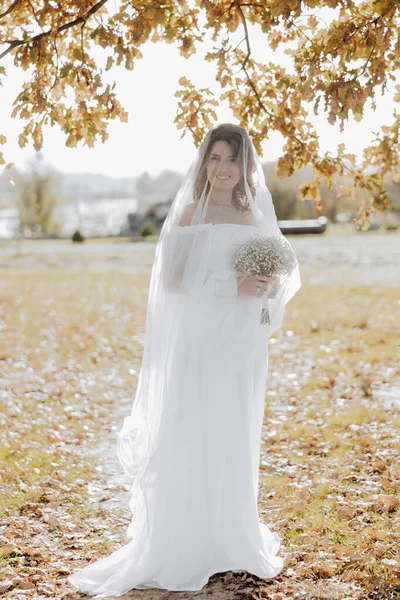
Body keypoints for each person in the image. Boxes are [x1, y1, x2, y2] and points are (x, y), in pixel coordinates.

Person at [67, 122, 301, 597]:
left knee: (232, 433)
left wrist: (264, 292)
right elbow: (173, 284)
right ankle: (186, 540)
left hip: (239, 348)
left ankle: (231, 536)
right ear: (203, 163)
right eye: (214, 159)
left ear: (245, 165)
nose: (222, 169)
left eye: (231, 160)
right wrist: (228, 287)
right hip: (198, 343)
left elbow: (278, 277)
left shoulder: (255, 216)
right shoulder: (190, 214)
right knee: (193, 430)